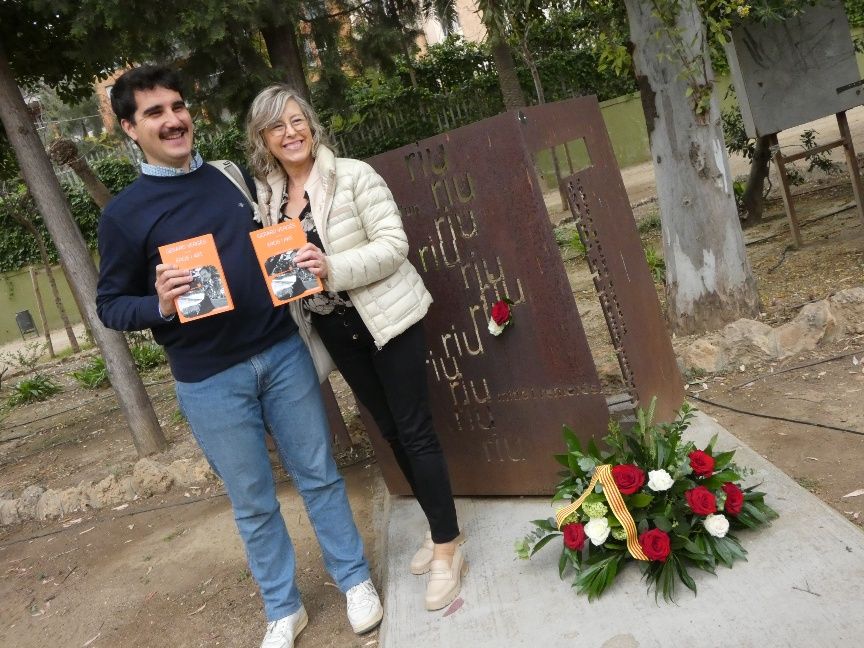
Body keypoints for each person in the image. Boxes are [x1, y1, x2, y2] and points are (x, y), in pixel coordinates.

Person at [95, 65, 382, 648]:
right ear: (129, 128)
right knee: (252, 502)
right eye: (154, 113)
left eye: (177, 106)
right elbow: (110, 306)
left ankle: (353, 580)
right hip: (208, 381)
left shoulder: (231, 178)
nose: (173, 120)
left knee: (319, 475)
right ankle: (284, 608)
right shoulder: (123, 215)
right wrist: (159, 305)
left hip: (281, 353)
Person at [246, 85, 467, 611]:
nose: (291, 132)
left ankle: (446, 546)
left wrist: (333, 269)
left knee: (414, 430)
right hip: (335, 329)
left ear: (312, 125)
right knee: (389, 431)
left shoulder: (353, 175)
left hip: (388, 320)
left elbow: (395, 245)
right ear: (264, 140)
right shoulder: (270, 200)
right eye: (278, 126)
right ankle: (443, 528)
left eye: (298, 120)